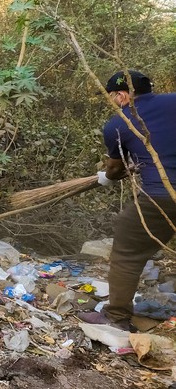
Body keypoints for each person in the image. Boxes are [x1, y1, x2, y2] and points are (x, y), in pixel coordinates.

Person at [78, 70, 176, 330]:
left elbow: (114, 169)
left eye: (113, 96)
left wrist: (107, 176)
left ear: (122, 95)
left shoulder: (118, 124)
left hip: (162, 196)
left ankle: (116, 316)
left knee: (127, 250)